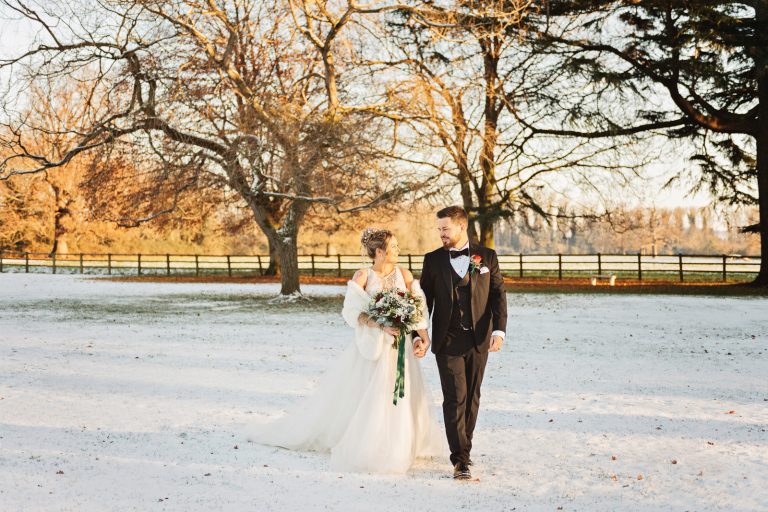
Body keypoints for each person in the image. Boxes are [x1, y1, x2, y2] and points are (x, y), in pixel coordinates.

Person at [247, 228, 444, 473]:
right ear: (379, 252)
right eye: (393, 246)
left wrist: (422, 339)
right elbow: (352, 313)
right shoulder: (363, 276)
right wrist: (380, 323)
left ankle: (400, 441)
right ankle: (370, 441)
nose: (398, 250)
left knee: (398, 395)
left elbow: (419, 311)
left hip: (400, 348)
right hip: (371, 349)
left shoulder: (404, 275)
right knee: (369, 396)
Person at [413, 206, 507, 480]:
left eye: (445, 229)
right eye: (439, 229)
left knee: (472, 397)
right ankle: (460, 459)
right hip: (447, 339)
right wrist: (419, 334)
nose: (440, 233)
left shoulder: (486, 256)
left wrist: (499, 331)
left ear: (461, 227)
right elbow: (424, 301)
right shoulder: (432, 260)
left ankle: (465, 448)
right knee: (455, 398)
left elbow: (498, 295)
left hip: (479, 338)